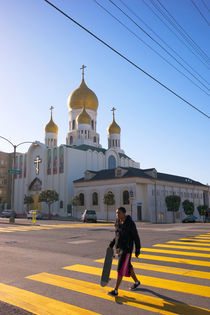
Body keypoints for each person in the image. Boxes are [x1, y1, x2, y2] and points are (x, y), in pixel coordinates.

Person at [108, 206, 141, 297]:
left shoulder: (130, 223)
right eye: (116, 213)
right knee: (128, 267)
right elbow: (117, 235)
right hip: (119, 248)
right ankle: (137, 282)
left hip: (127, 249)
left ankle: (115, 290)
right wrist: (111, 244)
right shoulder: (118, 222)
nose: (117, 214)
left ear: (123, 213)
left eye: (118, 213)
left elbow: (136, 237)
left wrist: (137, 250)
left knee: (121, 268)